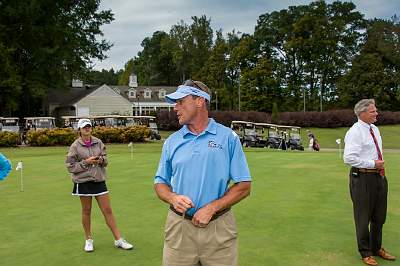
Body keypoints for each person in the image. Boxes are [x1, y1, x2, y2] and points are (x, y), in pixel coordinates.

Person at [154, 80, 252, 266]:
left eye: (180, 102)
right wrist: (173, 198)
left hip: (219, 228)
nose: (175, 108)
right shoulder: (171, 142)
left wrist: (212, 207)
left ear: (199, 101)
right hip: (179, 228)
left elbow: (244, 186)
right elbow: (160, 183)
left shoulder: (228, 138)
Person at [65, 118, 133, 252]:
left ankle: (118, 239)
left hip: (99, 180)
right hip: (83, 182)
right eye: (84, 127)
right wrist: (86, 162)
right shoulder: (75, 146)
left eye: (89, 126)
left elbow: (106, 160)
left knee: (107, 210)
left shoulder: (98, 142)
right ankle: (88, 240)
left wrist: (100, 160)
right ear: (79, 129)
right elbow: (70, 166)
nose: (87, 129)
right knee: (86, 211)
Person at [344, 99, 395, 266]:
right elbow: (349, 158)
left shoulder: (375, 129)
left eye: (376, 110)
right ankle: (365, 252)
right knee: (363, 217)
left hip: (378, 177)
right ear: (362, 113)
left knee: (379, 216)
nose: (376, 113)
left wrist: (378, 168)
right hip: (362, 178)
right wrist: (373, 164)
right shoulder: (355, 131)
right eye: (373, 111)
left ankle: (376, 247)